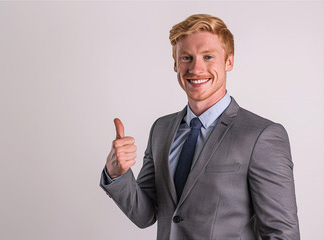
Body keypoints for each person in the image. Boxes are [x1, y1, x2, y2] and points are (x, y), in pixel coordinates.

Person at [100, 14, 300, 240]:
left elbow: (282, 233)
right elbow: (145, 214)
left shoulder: (261, 136)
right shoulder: (161, 129)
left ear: (229, 62)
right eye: (186, 57)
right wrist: (117, 174)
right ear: (175, 64)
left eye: (207, 57)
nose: (196, 68)